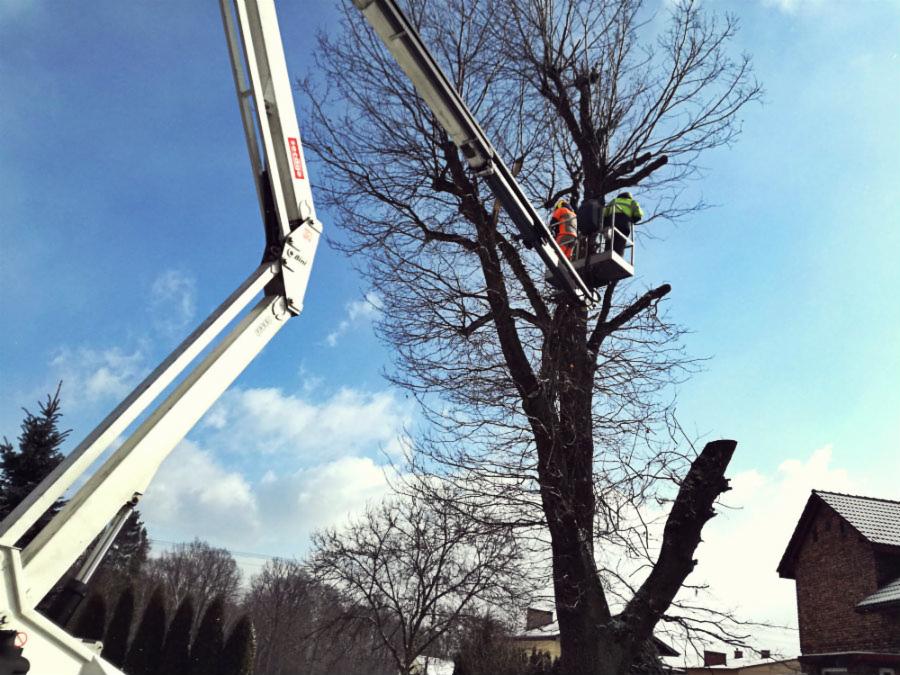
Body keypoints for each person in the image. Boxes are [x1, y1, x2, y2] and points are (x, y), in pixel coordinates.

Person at [602, 192, 643, 256]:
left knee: (609, 241)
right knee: (621, 242)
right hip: (624, 224)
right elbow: (639, 214)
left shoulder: (614, 200)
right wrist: (633, 220)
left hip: (611, 223)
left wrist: (605, 223)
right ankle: (619, 256)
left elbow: (604, 213)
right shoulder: (632, 202)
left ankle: (606, 254)